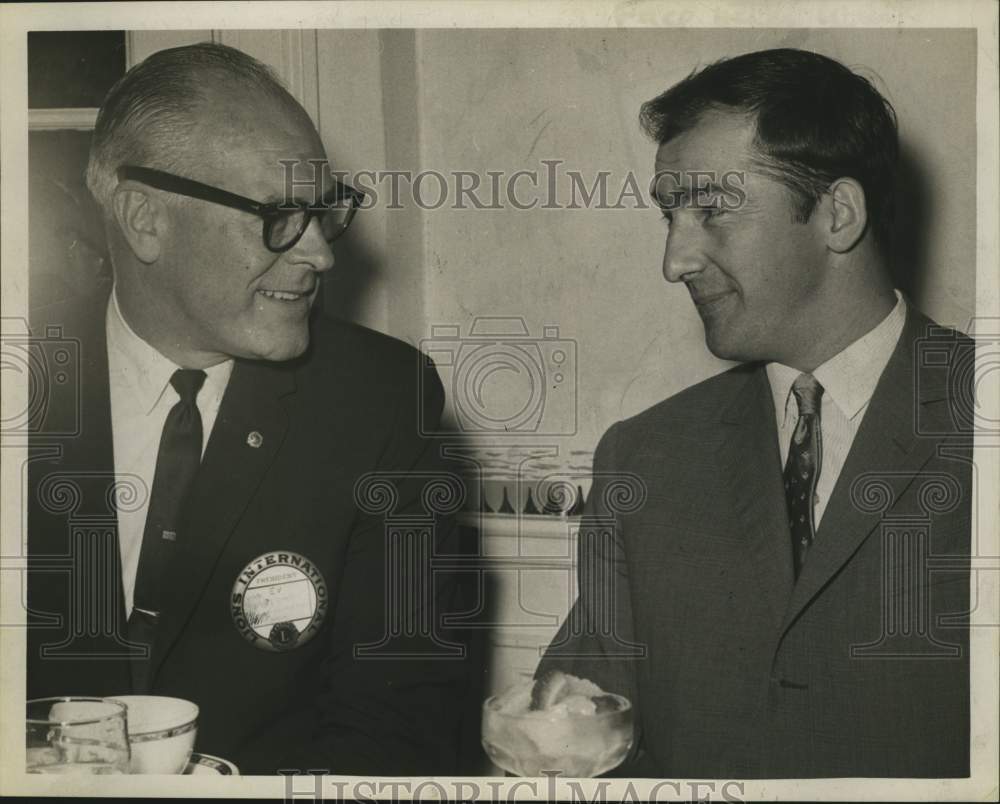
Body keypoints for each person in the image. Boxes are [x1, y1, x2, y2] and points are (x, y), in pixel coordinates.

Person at [26, 42, 468, 775]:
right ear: (145, 218)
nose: (321, 254)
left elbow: (400, 716)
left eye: (324, 212)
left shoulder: (382, 399)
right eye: (281, 216)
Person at [538, 48, 973, 778]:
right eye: (671, 216)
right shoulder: (643, 458)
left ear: (837, 214)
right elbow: (581, 730)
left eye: (711, 210)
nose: (675, 260)